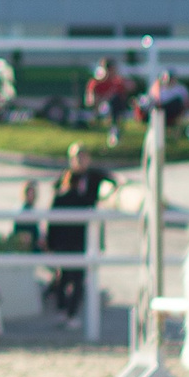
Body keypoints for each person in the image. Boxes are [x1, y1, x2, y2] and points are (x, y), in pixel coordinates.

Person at [42, 143, 110, 322]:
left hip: (84, 236)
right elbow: (54, 213)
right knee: (64, 277)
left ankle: (71, 312)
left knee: (79, 277)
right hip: (65, 237)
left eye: (83, 156)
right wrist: (50, 241)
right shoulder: (63, 181)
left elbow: (112, 186)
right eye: (76, 157)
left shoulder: (95, 176)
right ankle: (63, 310)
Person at [85, 58, 135, 143]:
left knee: (116, 100)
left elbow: (132, 87)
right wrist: (104, 98)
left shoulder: (117, 82)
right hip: (102, 108)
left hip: (117, 108)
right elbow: (90, 101)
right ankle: (113, 130)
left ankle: (115, 130)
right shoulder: (96, 82)